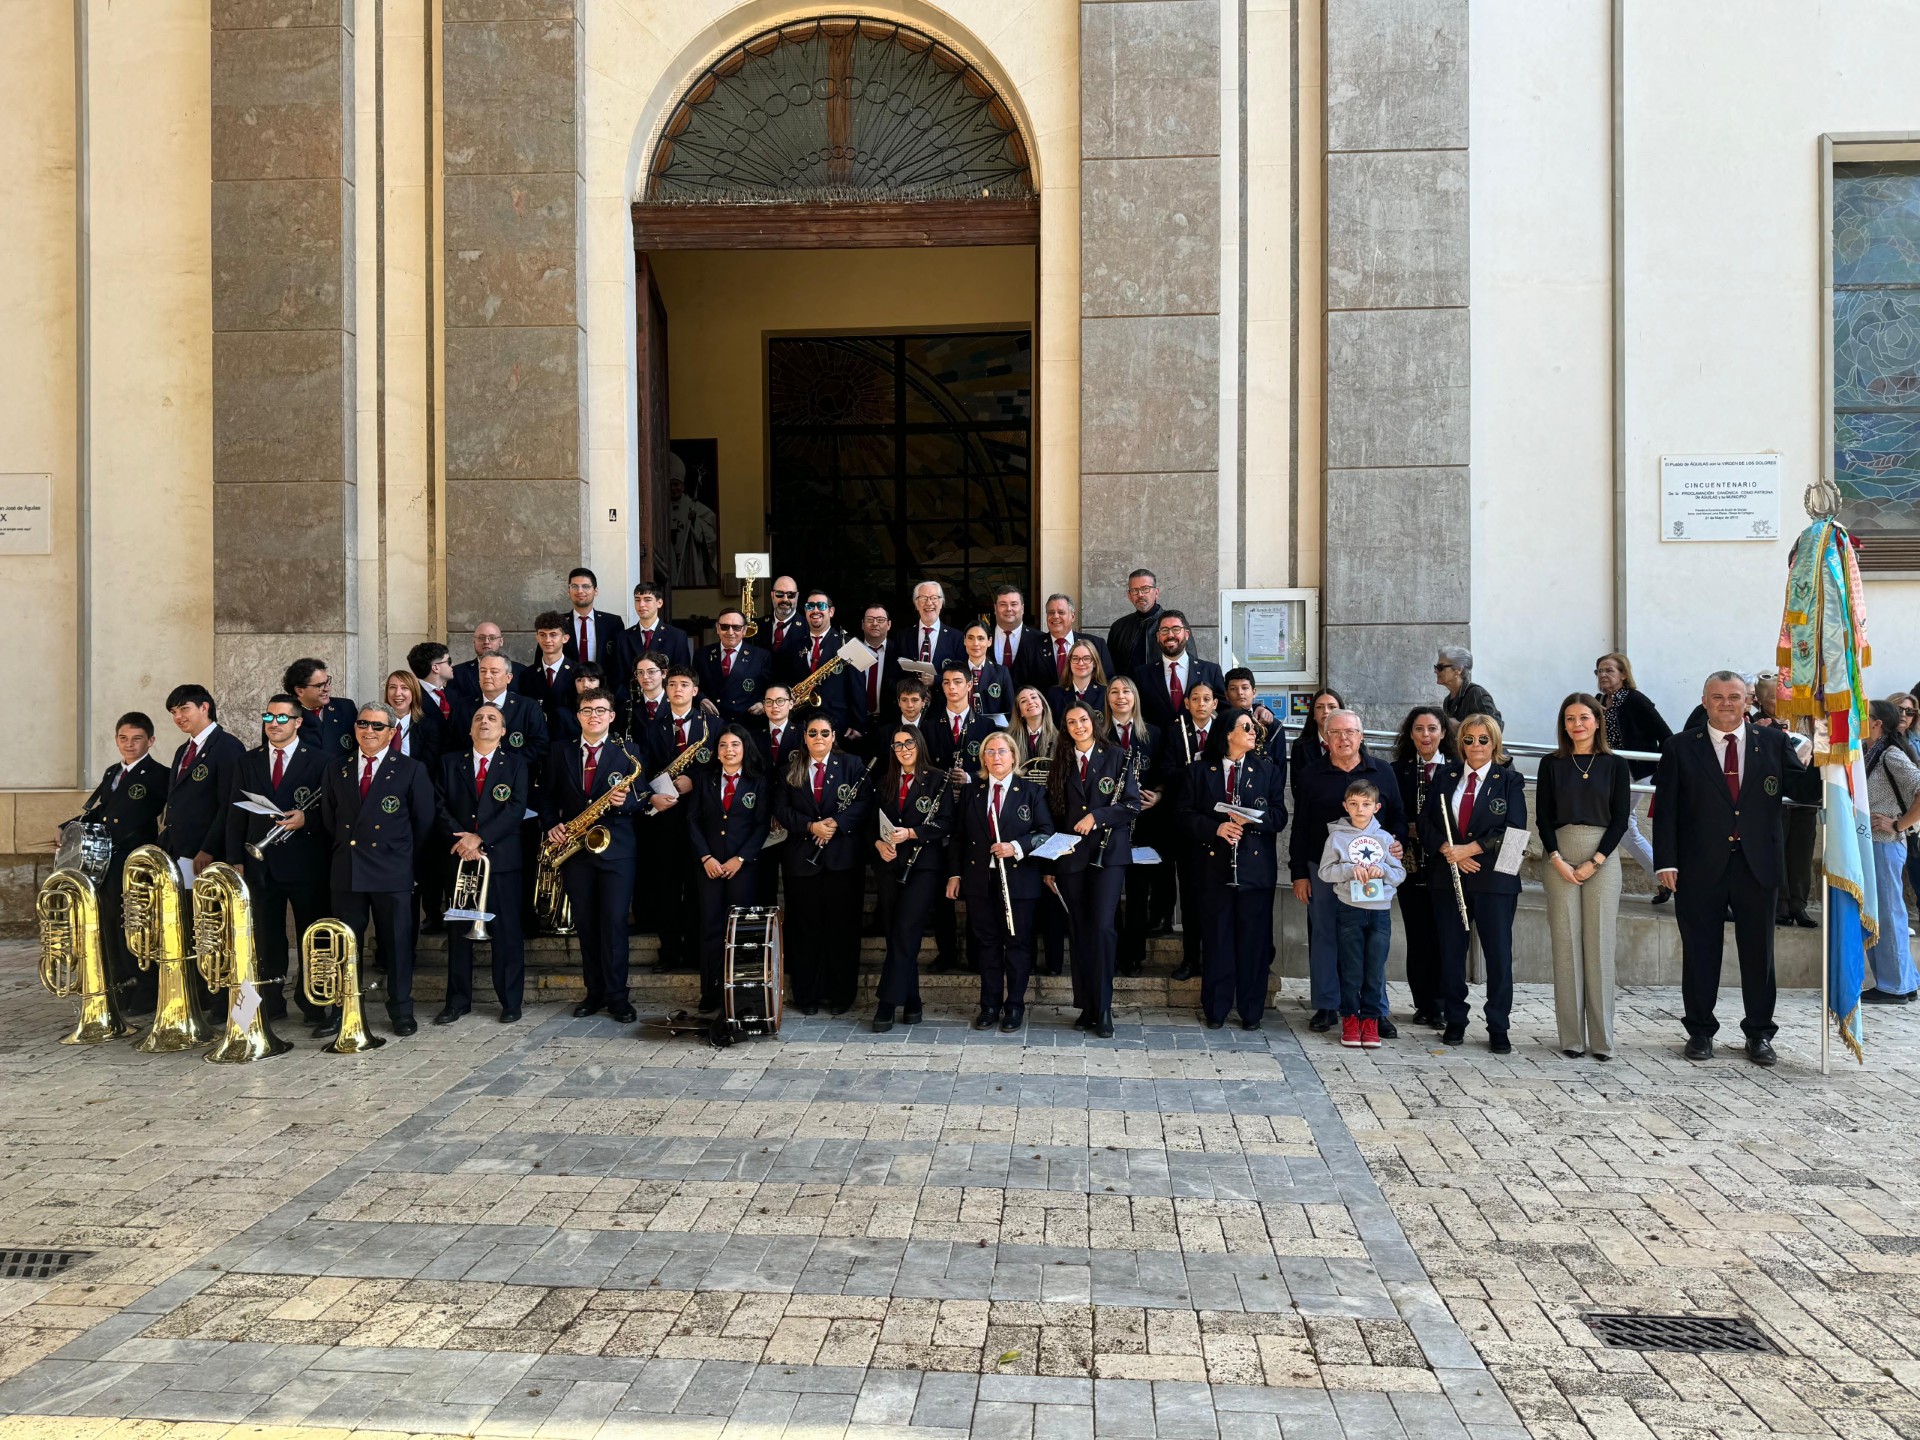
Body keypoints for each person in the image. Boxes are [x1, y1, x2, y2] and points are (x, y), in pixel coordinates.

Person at [1654, 671, 1818, 1065]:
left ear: (1747, 701)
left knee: (1759, 954)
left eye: (1734, 697)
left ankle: (1759, 1033)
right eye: (1717, 697)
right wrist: (1666, 862)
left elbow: (1805, 791)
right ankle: (1699, 1031)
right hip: (1697, 867)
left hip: (1757, 865)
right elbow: (1667, 811)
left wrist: (1826, 760)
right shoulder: (1680, 747)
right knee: (1699, 950)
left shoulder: (1775, 742)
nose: (1726, 703)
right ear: (1704, 701)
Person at [322, 702, 437, 1036]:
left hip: (392, 869)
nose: (368, 731)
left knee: (398, 944)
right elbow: (331, 818)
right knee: (345, 944)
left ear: (391, 732)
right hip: (348, 869)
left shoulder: (410, 769)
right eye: (362, 724)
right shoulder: (337, 768)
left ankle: (401, 1010)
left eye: (376, 726)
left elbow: (423, 821)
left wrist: (402, 858)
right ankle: (342, 1008)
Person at [1290, 709, 1405, 1032]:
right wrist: (1299, 872)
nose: (1344, 738)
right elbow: (1300, 826)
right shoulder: (1311, 774)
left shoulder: (1382, 771)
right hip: (1325, 868)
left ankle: (1375, 1011)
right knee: (1325, 935)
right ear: (1325, 738)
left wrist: (1397, 844)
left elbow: (1397, 815)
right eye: (1336, 733)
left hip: (1372, 871)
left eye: (1350, 732)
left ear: (1361, 735)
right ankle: (1327, 1005)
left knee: (1372, 940)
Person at [1420, 713, 1527, 1053]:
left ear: (1494, 742)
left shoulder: (1509, 780)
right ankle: (1455, 1020)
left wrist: (1471, 849)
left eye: (1483, 739)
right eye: (1469, 739)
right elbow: (1425, 822)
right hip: (1449, 878)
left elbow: (1515, 829)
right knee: (1450, 953)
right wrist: (1448, 849)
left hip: (1494, 881)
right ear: (1460, 743)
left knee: (1498, 956)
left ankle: (1498, 1025)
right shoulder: (1446, 776)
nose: (1476, 746)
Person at [227, 695, 333, 1030]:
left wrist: (308, 820)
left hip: (306, 863)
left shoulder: (322, 761)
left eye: (283, 718)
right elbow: (234, 813)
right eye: (269, 717)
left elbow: (331, 812)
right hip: (260, 864)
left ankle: (315, 1004)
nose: (274, 723)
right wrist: (235, 861)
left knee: (311, 938)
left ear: (298, 722)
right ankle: (271, 1002)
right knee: (267, 938)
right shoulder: (248, 761)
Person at [1537, 693, 1632, 1059]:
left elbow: (1621, 818)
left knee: (1599, 946)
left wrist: (1596, 860)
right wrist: (1556, 858)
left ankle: (1603, 1039)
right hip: (1560, 852)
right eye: (1570, 718)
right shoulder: (1552, 764)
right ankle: (1572, 1038)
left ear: (1597, 721)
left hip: (1602, 855)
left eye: (1584, 718)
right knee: (1566, 946)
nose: (1577, 724)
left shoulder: (1615, 765)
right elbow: (1543, 817)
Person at [542, 691, 646, 1023]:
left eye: (601, 710)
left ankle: (618, 997)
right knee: (586, 924)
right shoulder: (560, 751)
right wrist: (551, 825)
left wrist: (624, 803)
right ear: (578, 716)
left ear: (612, 716)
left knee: (614, 923)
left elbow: (642, 798)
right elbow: (545, 796)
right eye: (587, 710)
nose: (594, 716)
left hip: (616, 850)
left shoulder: (629, 752)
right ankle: (594, 992)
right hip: (576, 851)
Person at [947, 732, 1055, 1033]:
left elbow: (1046, 831)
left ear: (1013, 756)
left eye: (1002, 751)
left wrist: (1016, 847)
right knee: (987, 944)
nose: (996, 757)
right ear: (983, 758)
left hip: (1019, 881)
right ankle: (989, 1005)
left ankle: (1014, 1006)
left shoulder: (1032, 792)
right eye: (990, 751)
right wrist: (954, 875)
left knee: (1018, 945)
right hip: (980, 880)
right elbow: (957, 837)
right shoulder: (971, 793)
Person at [1188, 708, 1287, 1030]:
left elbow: (1279, 816)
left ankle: (1251, 1011)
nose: (1253, 732)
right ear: (1227, 733)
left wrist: (1253, 819)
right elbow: (1182, 815)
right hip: (1212, 870)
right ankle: (1215, 1009)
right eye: (1246, 727)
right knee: (1217, 941)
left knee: (1254, 944)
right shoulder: (1200, 771)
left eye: (1254, 727)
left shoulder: (1267, 770)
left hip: (1254, 872)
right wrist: (1215, 829)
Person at [1048, 702, 1140, 1032]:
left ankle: (1103, 1008)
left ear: (1093, 722)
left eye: (1083, 719)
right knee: (1080, 931)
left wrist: (1097, 817)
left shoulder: (1116, 756)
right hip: (1071, 858)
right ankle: (1085, 1005)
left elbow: (1132, 804)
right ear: (1065, 728)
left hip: (1108, 857)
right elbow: (1054, 815)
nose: (1078, 726)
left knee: (1102, 928)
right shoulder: (1060, 761)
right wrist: (1049, 863)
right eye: (1071, 722)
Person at [774, 713, 871, 1015]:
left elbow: (865, 803)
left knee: (842, 928)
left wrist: (837, 823)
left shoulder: (853, 765)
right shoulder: (790, 769)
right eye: (813, 733)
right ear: (805, 737)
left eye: (824, 733)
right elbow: (780, 809)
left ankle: (841, 996)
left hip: (842, 861)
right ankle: (807, 996)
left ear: (834, 736)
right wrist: (810, 826)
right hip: (802, 862)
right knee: (805, 930)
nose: (819, 738)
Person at [437, 704, 529, 1024]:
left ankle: (510, 1001)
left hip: (501, 862)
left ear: (503, 731)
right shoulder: (450, 764)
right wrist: (465, 843)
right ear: (470, 729)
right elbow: (439, 806)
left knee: (507, 934)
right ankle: (458, 1001)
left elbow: (516, 809)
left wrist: (481, 838)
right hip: (461, 860)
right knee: (459, 933)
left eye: (492, 719)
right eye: (478, 718)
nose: (484, 722)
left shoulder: (516, 764)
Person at [80, 712, 170, 1013]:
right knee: (110, 924)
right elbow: (101, 809)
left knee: (137, 924)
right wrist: (69, 826)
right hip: (107, 861)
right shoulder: (111, 773)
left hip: (134, 860)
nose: (129, 744)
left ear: (150, 741)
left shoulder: (159, 774)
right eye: (123, 738)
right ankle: (121, 985)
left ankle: (145, 989)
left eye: (137, 739)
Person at [687, 724, 773, 1015]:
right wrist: (706, 857)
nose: (729, 750)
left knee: (741, 933)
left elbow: (762, 825)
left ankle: (739, 993)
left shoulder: (758, 781)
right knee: (711, 929)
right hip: (709, 867)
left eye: (735, 745)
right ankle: (709, 991)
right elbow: (693, 820)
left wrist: (741, 859)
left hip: (743, 869)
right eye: (723, 745)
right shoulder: (705, 779)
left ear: (745, 748)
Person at [870, 726, 951, 1032]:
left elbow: (945, 823)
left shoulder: (937, 780)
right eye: (896, 745)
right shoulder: (884, 782)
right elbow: (870, 826)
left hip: (923, 867)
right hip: (889, 866)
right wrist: (878, 844)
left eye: (908, 743)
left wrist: (913, 833)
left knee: (906, 929)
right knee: (896, 933)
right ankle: (913, 1000)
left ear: (919, 744)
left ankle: (886, 1003)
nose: (902, 749)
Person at [639, 666, 717, 974]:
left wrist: (694, 782)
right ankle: (669, 952)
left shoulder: (713, 725)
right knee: (667, 889)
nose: (678, 689)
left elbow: (723, 767)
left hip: (701, 819)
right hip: (664, 819)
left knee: (698, 890)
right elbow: (640, 770)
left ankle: (698, 953)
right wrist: (651, 797)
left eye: (684, 684)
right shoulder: (650, 727)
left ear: (695, 691)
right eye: (672, 684)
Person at [1317, 778, 1405, 1048]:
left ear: (1376, 807)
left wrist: (1384, 871)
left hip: (1379, 913)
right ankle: (1350, 1018)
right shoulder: (1336, 838)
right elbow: (1325, 872)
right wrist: (1347, 869)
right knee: (1352, 968)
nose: (1360, 809)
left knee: (1375, 969)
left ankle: (1371, 1019)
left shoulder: (1385, 838)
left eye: (1366, 804)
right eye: (1353, 804)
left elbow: (1399, 874)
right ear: (1345, 805)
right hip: (1350, 910)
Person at [1388, 706, 1454, 1027]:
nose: (1425, 735)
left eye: (1431, 729)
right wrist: (1407, 829)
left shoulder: (1456, 770)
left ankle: (1440, 1002)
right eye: (1418, 729)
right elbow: (1391, 813)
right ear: (1410, 734)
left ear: (1443, 732)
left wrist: (1427, 829)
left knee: (1443, 933)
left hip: (1445, 863)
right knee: (1418, 935)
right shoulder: (1397, 770)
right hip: (1410, 862)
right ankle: (1423, 1002)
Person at [1154, 679, 1221, 980]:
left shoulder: (1223, 730)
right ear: (1188, 703)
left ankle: (1214, 959)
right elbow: (1165, 770)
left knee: (1215, 898)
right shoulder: (1174, 732)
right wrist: (1195, 773)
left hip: (1218, 826)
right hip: (1186, 825)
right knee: (1191, 896)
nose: (1202, 704)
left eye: (1207, 698)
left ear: (1215, 703)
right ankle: (1191, 959)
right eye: (1196, 698)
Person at [1592, 652, 1672, 902]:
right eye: (1599, 671)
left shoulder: (1636, 700)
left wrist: (1663, 768)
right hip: (1613, 772)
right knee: (1622, 825)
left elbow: (1666, 734)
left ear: (1623, 674)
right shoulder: (1598, 701)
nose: (1603, 675)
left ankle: (1666, 878)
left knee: (1622, 823)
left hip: (1640, 772)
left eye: (1609, 671)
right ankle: (1664, 878)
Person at [159, 683, 246, 886]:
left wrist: (209, 848)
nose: (178, 717)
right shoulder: (182, 750)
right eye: (173, 712)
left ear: (204, 707)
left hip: (207, 855)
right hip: (178, 852)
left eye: (184, 709)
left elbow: (230, 804)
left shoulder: (228, 747)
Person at [1863, 697, 1920, 1005]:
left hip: (1885, 844)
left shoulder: (1891, 754)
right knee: (1886, 912)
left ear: (1877, 723)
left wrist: (1900, 824)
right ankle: (1905, 981)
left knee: (1887, 913)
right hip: (1874, 843)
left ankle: (1894, 985)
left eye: (1865, 715)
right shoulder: (1871, 751)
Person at [1103, 678, 1159, 976]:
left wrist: (1158, 794)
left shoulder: (1153, 734)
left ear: (1135, 697)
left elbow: (1165, 772)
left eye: (1126, 691)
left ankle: (1133, 955)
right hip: (1109, 827)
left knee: (1138, 894)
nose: (1121, 697)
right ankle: (1111, 953)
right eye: (1114, 692)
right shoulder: (1098, 734)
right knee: (1110, 894)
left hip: (1144, 826)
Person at [457, 653, 549, 779]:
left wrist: (504, 764)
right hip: (471, 776)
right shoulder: (462, 707)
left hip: (516, 777)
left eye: (494, 672)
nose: (487, 676)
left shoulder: (527, 707)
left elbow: (540, 746)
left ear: (509, 677)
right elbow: (452, 745)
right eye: (483, 671)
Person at [785, 589, 863, 733]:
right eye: (810, 606)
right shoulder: (794, 645)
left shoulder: (849, 643)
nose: (815, 610)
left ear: (831, 611)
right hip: (801, 724)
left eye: (821, 606)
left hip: (837, 724)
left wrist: (857, 725)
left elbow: (857, 689)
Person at [1137, 611, 1225, 730]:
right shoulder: (1142, 674)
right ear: (1158, 637)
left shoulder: (1210, 671)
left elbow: (1226, 708)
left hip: (1198, 746)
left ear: (1187, 634)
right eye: (1164, 630)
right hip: (1157, 746)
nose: (1170, 635)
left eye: (1176, 629)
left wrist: (1255, 708)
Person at [522, 611, 589, 744]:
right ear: (537, 637)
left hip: (569, 743)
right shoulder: (527, 674)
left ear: (565, 638)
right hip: (536, 743)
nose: (547, 640)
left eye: (553, 635)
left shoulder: (579, 672)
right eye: (542, 635)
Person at [695, 608, 774, 722]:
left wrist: (763, 703)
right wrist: (700, 699)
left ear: (745, 630)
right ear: (717, 628)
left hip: (746, 723)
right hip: (712, 721)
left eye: (736, 627)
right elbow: (693, 684)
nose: (730, 632)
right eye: (725, 627)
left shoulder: (761, 656)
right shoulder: (702, 654)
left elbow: (770, 687)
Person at [614, 580, 693, 687]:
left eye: (647, 600)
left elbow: (682, 674)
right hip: (633, 699)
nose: (641, 605)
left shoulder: (676, 636)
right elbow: (619, 678)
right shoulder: (623, 637)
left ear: (659, 603)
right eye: (637, 600)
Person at [849, 602, 899, 754]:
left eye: (880, 620)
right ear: (862, 624)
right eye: (870, 619)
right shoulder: (851, 650)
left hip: (890, 728)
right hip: (855, 730)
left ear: (889, 624)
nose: (875, 623)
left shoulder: (899, 651)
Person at [283, 658, 358, 759]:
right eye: (320, 685)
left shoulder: (345, 708)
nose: (327, 688)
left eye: (327, 682)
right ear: (300, 691)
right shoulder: (284, 717)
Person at [989, 584, 1052, 690]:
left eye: (1014, 604)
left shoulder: (1041, 640)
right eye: (1003, 604)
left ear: (1022, 608)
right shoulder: (982, 637)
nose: (1009, 609)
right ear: (995, 608)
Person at [1041, 594, 1116, 685]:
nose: (1055, 616)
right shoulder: (1031, 647)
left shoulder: (1097, 644)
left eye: (1061, 612)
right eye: (1051, 612)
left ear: (1072, 616)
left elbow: (1108, 682)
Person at [561, 566, 625, 669]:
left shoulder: (613, 623)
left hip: (603, 684)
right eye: (574, 586)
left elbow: (620, 661)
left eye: (586, 586)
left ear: (595, 591)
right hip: (567, 683)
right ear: (568, 591)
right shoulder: (558, 622)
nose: (580, 591)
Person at [1107, 568, 1164, 682]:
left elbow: (1189, 662)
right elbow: (1109, 669)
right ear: (1129, 595)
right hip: (1128, 696)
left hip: (1161, 695)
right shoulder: (1119, 627)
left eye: (1145, 589)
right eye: (1134, 590)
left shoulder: (1174, 624)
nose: (1140, 594)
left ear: (1156, 592)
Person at [1288, 688, 1346, 796]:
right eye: (1319, 707)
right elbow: (1298, 789)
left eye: (1332, 707)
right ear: (1313, 714)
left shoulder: (1353, 743)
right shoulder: (1300, 747)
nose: (1326, 711)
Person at [450, 621, 526, 702]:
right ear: (474, 641)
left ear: (501, 641)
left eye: (492, 638)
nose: (486, 642)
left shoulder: (521, 671)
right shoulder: (458, 673)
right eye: (481, 638)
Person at [1222, 669, 1285, 766]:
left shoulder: (1273, 725)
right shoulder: (1220, 723)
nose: (1240, 693)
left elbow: (1280, 766)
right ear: (1226, 695)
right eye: (1233, 689)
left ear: (1254, 692)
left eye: (1245, 688)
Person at [906, 579, 966, 673]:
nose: (929, 603)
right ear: (916, 604)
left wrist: (936, 680)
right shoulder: (903, 637)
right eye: (923, 598)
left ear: (941, 603)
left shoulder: (957, 638)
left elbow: (961, 674)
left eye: (934, 598)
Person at [1047, 639, 1109, 729]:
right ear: (1069, 662)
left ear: (1095, 663)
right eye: (1075, 658)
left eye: (1086, 658)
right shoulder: (1055, 694)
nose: (1081, 663)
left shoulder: (1106, 693)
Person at [959, 622, 1015, 719]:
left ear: (989, 641)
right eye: (970, 638)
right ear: (964, 641)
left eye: (981, 638)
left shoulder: (1001, 673)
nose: (975, 643)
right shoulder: (956, 671)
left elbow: (1010, 709)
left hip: (993, 731)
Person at [383, 670, 438, 768]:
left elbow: (429, 767)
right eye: (392, 687)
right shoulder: (376, 724)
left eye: (404, 688)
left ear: (414, 692)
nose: (397, 693)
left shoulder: (429, 726)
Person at [1435, 646, 1501, 727]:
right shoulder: (1447, 701)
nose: (1435, 671)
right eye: (1436, 667)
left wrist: (1460, 726)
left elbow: (1496, 726)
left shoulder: (1476, 693)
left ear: (1458, 669)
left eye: (1440, 667)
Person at [755, 574, 805, 662]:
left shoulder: (808, 628)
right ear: (772, 595)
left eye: (791, 595)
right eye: (779, 594)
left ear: (797, 596)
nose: (785, 599)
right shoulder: (758, 626)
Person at [1012, 685, 1057, 770]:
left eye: (1033, 697)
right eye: (1023, 701)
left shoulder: (1059, 739)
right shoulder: (1010, 740)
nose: (1030, 702)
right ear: (1020, 712)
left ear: (1042, 704)